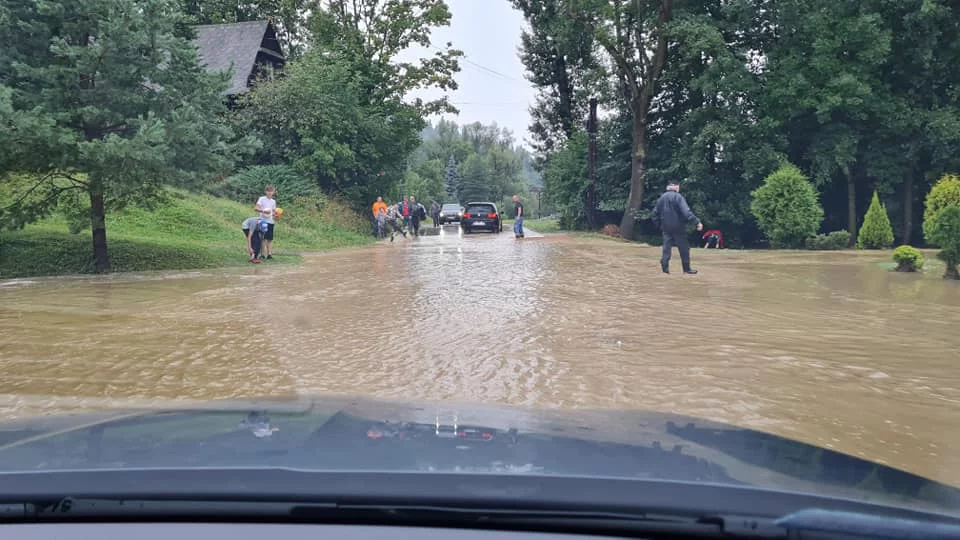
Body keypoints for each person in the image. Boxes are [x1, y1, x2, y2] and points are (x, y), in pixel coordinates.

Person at [651, 180, 703, 274]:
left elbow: (654, 214)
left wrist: (659, 225)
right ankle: (686, 269)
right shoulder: (678, 197)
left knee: (667, 247)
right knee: (684, 247)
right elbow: (686, 212)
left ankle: (665, 266)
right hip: (678, 226)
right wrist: (696, 222)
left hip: (665, 227)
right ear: (676, 187)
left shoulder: (662, 198)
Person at [254, 185, 277, 260]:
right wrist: (264, 211)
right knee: (263, 238)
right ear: (265, 192)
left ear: (273, 192)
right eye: (268, 191)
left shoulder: (273, 201)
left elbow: (273, 212)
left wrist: (275, 214)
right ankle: (262, 254)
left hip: (270, 221)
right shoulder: (261, 199)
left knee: (269, 239)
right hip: (262, 221)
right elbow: (256, 208)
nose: (270, 192)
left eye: (271, 191)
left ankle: (269, 255)